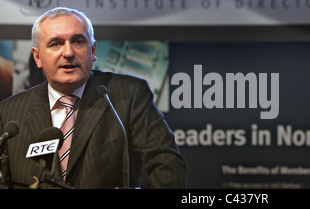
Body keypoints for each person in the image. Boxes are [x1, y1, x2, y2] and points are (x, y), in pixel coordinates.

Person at [0, 7, 187, 189]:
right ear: (37, 56)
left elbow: (166, 163)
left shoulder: (129, 95)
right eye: (56, 43)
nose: (68, 53)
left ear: (93, 50)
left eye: (78, 41)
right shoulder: (9, 113)